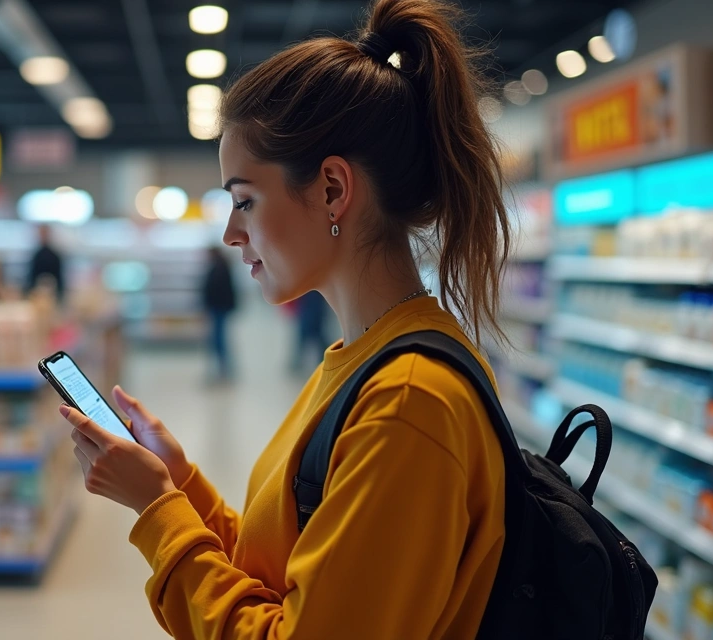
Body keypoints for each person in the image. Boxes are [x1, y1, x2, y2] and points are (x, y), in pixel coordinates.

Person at [58, 0, 511, 636]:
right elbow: (291, 569)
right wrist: (179, 483)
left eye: (244, 200)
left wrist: (157, 510)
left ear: (332, 189)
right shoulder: (363, 361)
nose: (230, 233)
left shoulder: (406, 401)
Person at [200, 246, 237, 381]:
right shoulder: (221, 267)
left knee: (218, 340)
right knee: (218, 340)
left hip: (218, 309)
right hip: (219, 309)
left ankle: (223, 370)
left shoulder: (218, 269)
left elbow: (215, 290)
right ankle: (223, 369)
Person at [289, 290, 331, 373]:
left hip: (311, 303)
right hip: (310, 303)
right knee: (310, 333)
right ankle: (323, 359)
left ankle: (324, 359)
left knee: (312, 333)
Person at [26, 225, 65, 302]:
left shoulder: (54, 256)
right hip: (38, 296)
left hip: (52, 296)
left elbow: (59, 279)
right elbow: (32, 277)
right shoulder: (36, 255)